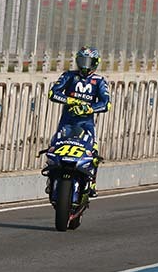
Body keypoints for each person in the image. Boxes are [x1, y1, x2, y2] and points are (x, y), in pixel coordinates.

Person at [47, 46, 111, 197]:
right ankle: (51, 178)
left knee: (93, 151)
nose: (85, 65)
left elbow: (106, 103)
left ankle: (92, 183)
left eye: (88, 62)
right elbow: (53, 93)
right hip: (67, 122)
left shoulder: (99, 81)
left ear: (95, 62)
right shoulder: (69, 76)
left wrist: (88, 109)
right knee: (54, 146)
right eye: (82, 61)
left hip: (86, 124)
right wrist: (71, 101)